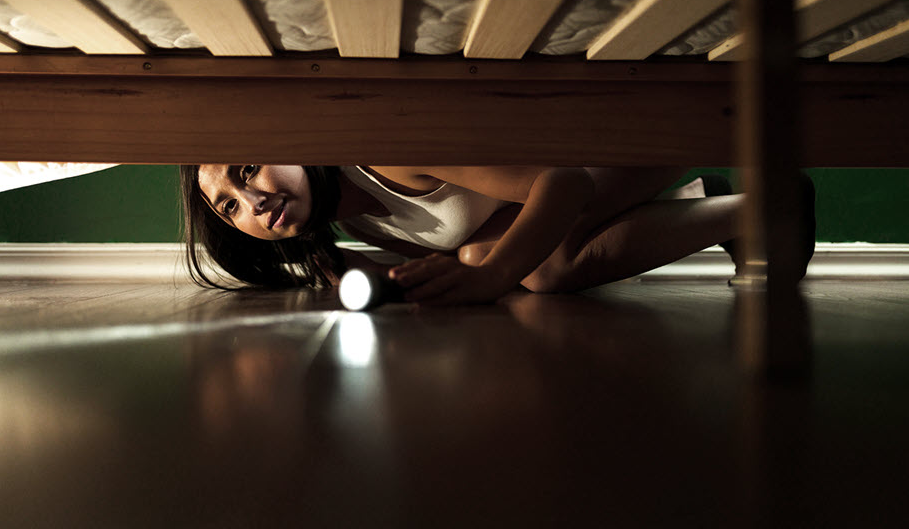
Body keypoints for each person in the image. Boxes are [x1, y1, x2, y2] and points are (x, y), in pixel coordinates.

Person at [180, 165, 813, 305]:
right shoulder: (337, 218)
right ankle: (715, 204)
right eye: (230, 208)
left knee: (530, 268)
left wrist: (492, 276)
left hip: (607, 151)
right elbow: (467, 243)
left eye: (245, 173)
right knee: (485, 252)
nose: (255, 204)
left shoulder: (381, 152)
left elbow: (562, 181)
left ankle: (761, 206)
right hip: (575, 188)